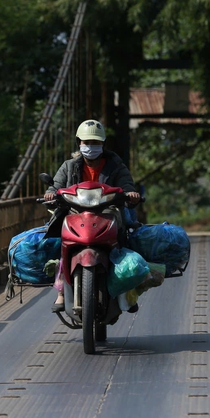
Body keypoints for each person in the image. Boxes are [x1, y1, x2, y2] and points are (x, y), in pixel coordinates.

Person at [44, 120, 141, 312]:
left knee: (124, 239)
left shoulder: (115, 165)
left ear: (103, 144)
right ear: (79, 142)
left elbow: (126, 183)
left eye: (96, 143)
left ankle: (127, 289)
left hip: (107, 210)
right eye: (87, 142)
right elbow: (55, 186)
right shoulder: (69, 166)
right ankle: (61, 291)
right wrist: (50, 194)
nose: (91, 147)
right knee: (63, 241)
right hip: (76, 211)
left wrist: (130, 193)